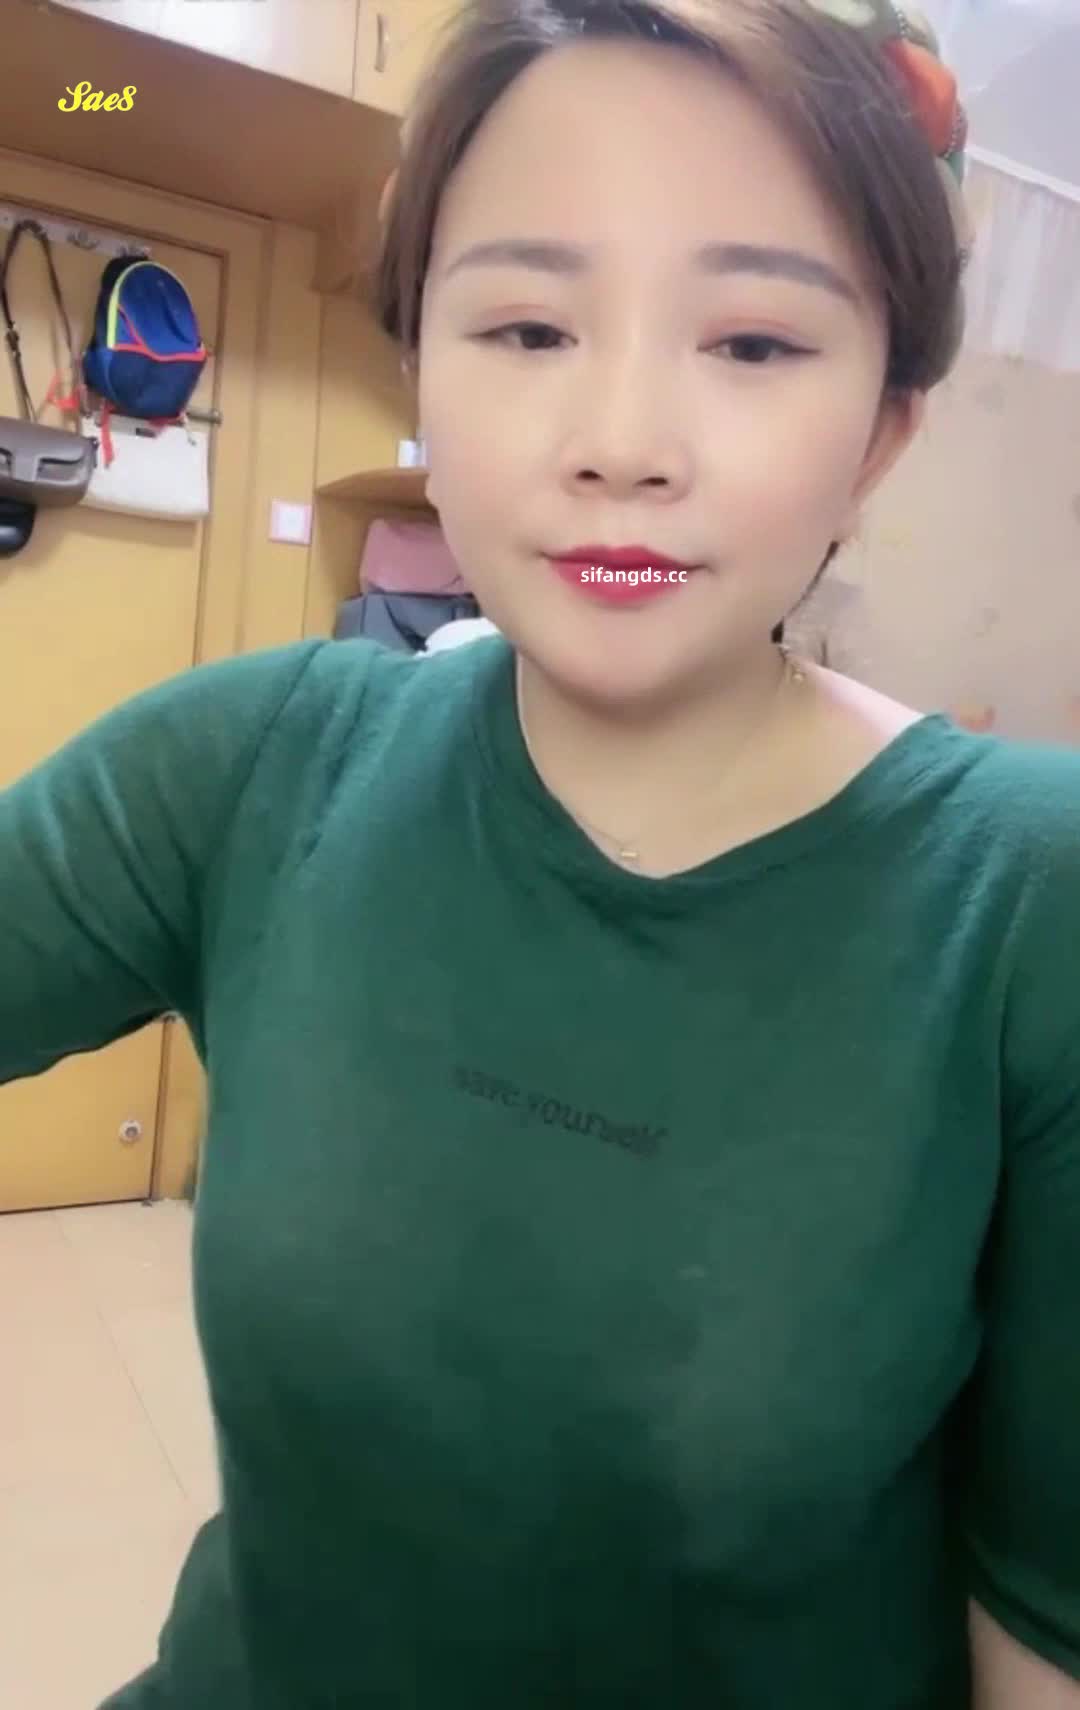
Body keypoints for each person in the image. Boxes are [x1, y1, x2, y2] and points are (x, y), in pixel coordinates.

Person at [2, 1, 1078, 1705]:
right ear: (418, 365)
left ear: (884, 427)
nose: (621, 440)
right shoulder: (256, 761)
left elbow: (1044, 1628)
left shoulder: (1026, 899)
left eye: (753, 343)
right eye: (525, 326)